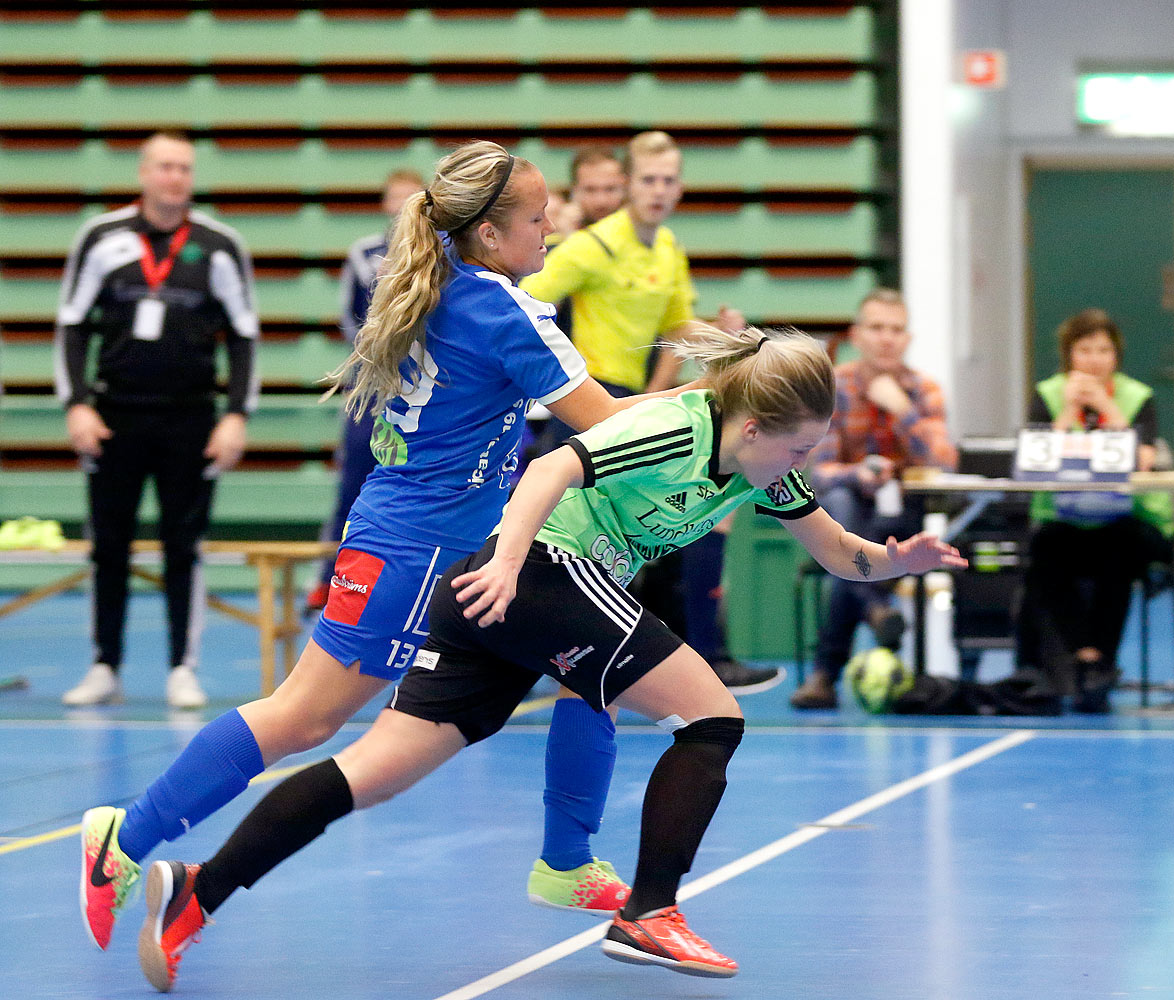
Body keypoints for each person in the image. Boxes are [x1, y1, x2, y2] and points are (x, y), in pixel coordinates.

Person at [131, 325, 966, 988]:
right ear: (752, 426)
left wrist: (899, 560)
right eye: (797, 448)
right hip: (528, 571)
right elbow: (549, 468)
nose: (804, 464)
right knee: (712, 714)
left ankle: (195, 892)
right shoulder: (674, 430)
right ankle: (648, 910)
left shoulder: (760, 470)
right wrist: (500, 559)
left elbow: (836, 549)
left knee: (371, 772)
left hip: (514, 597)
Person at [77, 141, 700, 963]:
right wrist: (706, 406)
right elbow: (605, 422)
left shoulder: (436, 272)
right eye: (539, 217)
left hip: (459, 535)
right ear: (486, 234)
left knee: (591, 664)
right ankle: (127, 835)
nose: (554, 227)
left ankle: (568, 859)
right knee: (307, 717)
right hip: (416, 551)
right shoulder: (500, 308)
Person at [521, 130, 773, 693]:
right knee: (559, 535)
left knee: (673, 523)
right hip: (585, 401)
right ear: (629, 185)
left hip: (631, 404)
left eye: (668, 180)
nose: (658, 191)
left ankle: (696, 654)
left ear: (679, 188)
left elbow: (677, 326)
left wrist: (731, 343)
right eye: (648, 180)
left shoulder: (667, 249)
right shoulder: (592, 247)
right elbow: (523, 294)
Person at [54, 131, 259, 710]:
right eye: (165, 167)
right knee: (109, 544)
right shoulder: (100, 238)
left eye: (185, 168)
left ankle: (181, 667)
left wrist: (236, 416)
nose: (175, 177)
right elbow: (71, 324)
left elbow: (244, 336)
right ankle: (103, 664)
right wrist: (76, 405)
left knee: (183, 544)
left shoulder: (220, 245)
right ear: (144, 173)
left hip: (192, 419)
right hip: (112, 417)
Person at [789, 289, 958, 710]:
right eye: (877, 328)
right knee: (843, 510)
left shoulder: (923, 389)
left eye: (896, 330)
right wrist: (859, 474)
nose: (887, 338)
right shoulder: (833, 385)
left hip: (906, 516)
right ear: (857, 335)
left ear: (907, 339)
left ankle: (825, 674)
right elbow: (819, 471)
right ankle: (878, 609)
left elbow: (944, 461)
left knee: (851, 542)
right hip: (850, 513)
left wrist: (902, 409)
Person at [1009, 309, 1174, 714]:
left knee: (1117, 556)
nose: (1095, 359)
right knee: (1046, 553)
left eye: (1104, 350)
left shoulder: (1137, 396)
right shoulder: (1048, 394)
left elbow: (1143, 460)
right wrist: (1068, 412)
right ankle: (1086, 657)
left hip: (1126, 520)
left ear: (1116, 356)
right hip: (1063, 519)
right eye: (1085, 350)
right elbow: (1037, 459)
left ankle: (1098, 660)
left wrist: (1107, 407)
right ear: (1069, 355)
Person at [306, 168, 427, 612]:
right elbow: (348, 318)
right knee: (353, 482)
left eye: (410, 199)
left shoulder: (437, 251)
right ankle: (328, 578)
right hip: (371, 384)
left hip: (421, 388)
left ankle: (405, 582)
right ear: (384, 203)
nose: (401, 207)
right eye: (394, 198)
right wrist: (381, 352)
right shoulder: (364, 254)